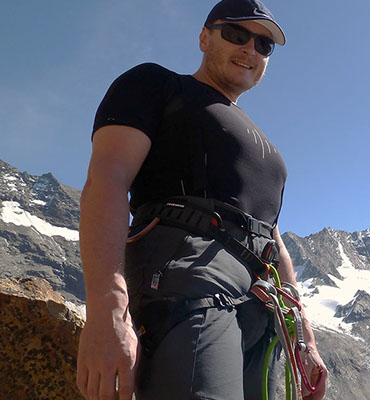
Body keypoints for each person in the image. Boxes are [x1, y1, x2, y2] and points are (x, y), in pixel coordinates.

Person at [76, 0, 328, 399]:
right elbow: (107, 179)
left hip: (261, 306)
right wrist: (107, 307)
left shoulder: (267, 150)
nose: (250, 49)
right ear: (204, 38)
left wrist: (304, 338)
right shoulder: (156, 84)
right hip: (190, 274)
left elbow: (272, 236)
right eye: (236, 34)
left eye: (263, 45)